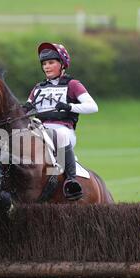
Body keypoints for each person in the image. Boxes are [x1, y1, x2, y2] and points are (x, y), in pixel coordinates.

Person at [23, 42, 99, 200]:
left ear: (62, 64)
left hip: (63, 131)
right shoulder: (38, 88)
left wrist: (69, 106)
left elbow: (93, 107)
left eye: (51, 62)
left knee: (61, 135)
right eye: (44, 63)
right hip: (40, 130)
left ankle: (71, 181)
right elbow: (27, 108)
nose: (47, 67)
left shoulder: (73, 84)